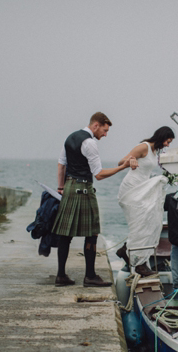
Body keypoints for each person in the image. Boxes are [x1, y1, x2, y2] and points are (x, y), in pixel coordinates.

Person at [52, 112, 133, 287]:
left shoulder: (70, 138)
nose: (105, 134)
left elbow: (61, 164)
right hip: (84, 189)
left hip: (69, 187)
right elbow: (99, 174)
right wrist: (123, 167)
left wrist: (61, 187)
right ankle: (90, 276)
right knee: (92, 233)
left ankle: (61, 275)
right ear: (96, 125)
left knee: (65, 234)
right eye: (104, 130)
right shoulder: (89, 143)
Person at [117, 126, 175, 277]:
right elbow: (121, 161)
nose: (168, 145)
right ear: (162, 137)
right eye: (168, 141)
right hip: (132, 188)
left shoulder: (155, 151)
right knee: (141, 222)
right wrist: (131, 160)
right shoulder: (144, 147)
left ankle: (127, 250)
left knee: (149, 221)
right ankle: (138, 263)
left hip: (142, 188)